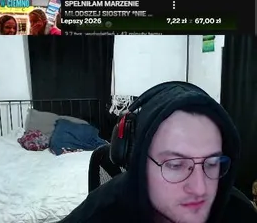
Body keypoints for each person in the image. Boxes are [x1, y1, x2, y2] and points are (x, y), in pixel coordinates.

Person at [62, 81, 257, 223]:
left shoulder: (241, 213)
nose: (200, 189)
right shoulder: (99, 213)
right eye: (175, 165)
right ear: (137, 161)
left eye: (212, 164)